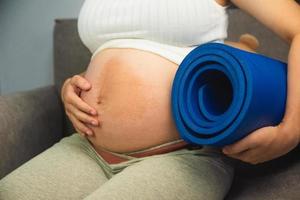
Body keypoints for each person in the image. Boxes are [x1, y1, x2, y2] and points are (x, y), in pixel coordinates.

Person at [0, 0, 299, 199]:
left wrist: (291, 131)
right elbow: (121, 49)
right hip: (86, 148)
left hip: (180, 157)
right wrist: (73, 85)